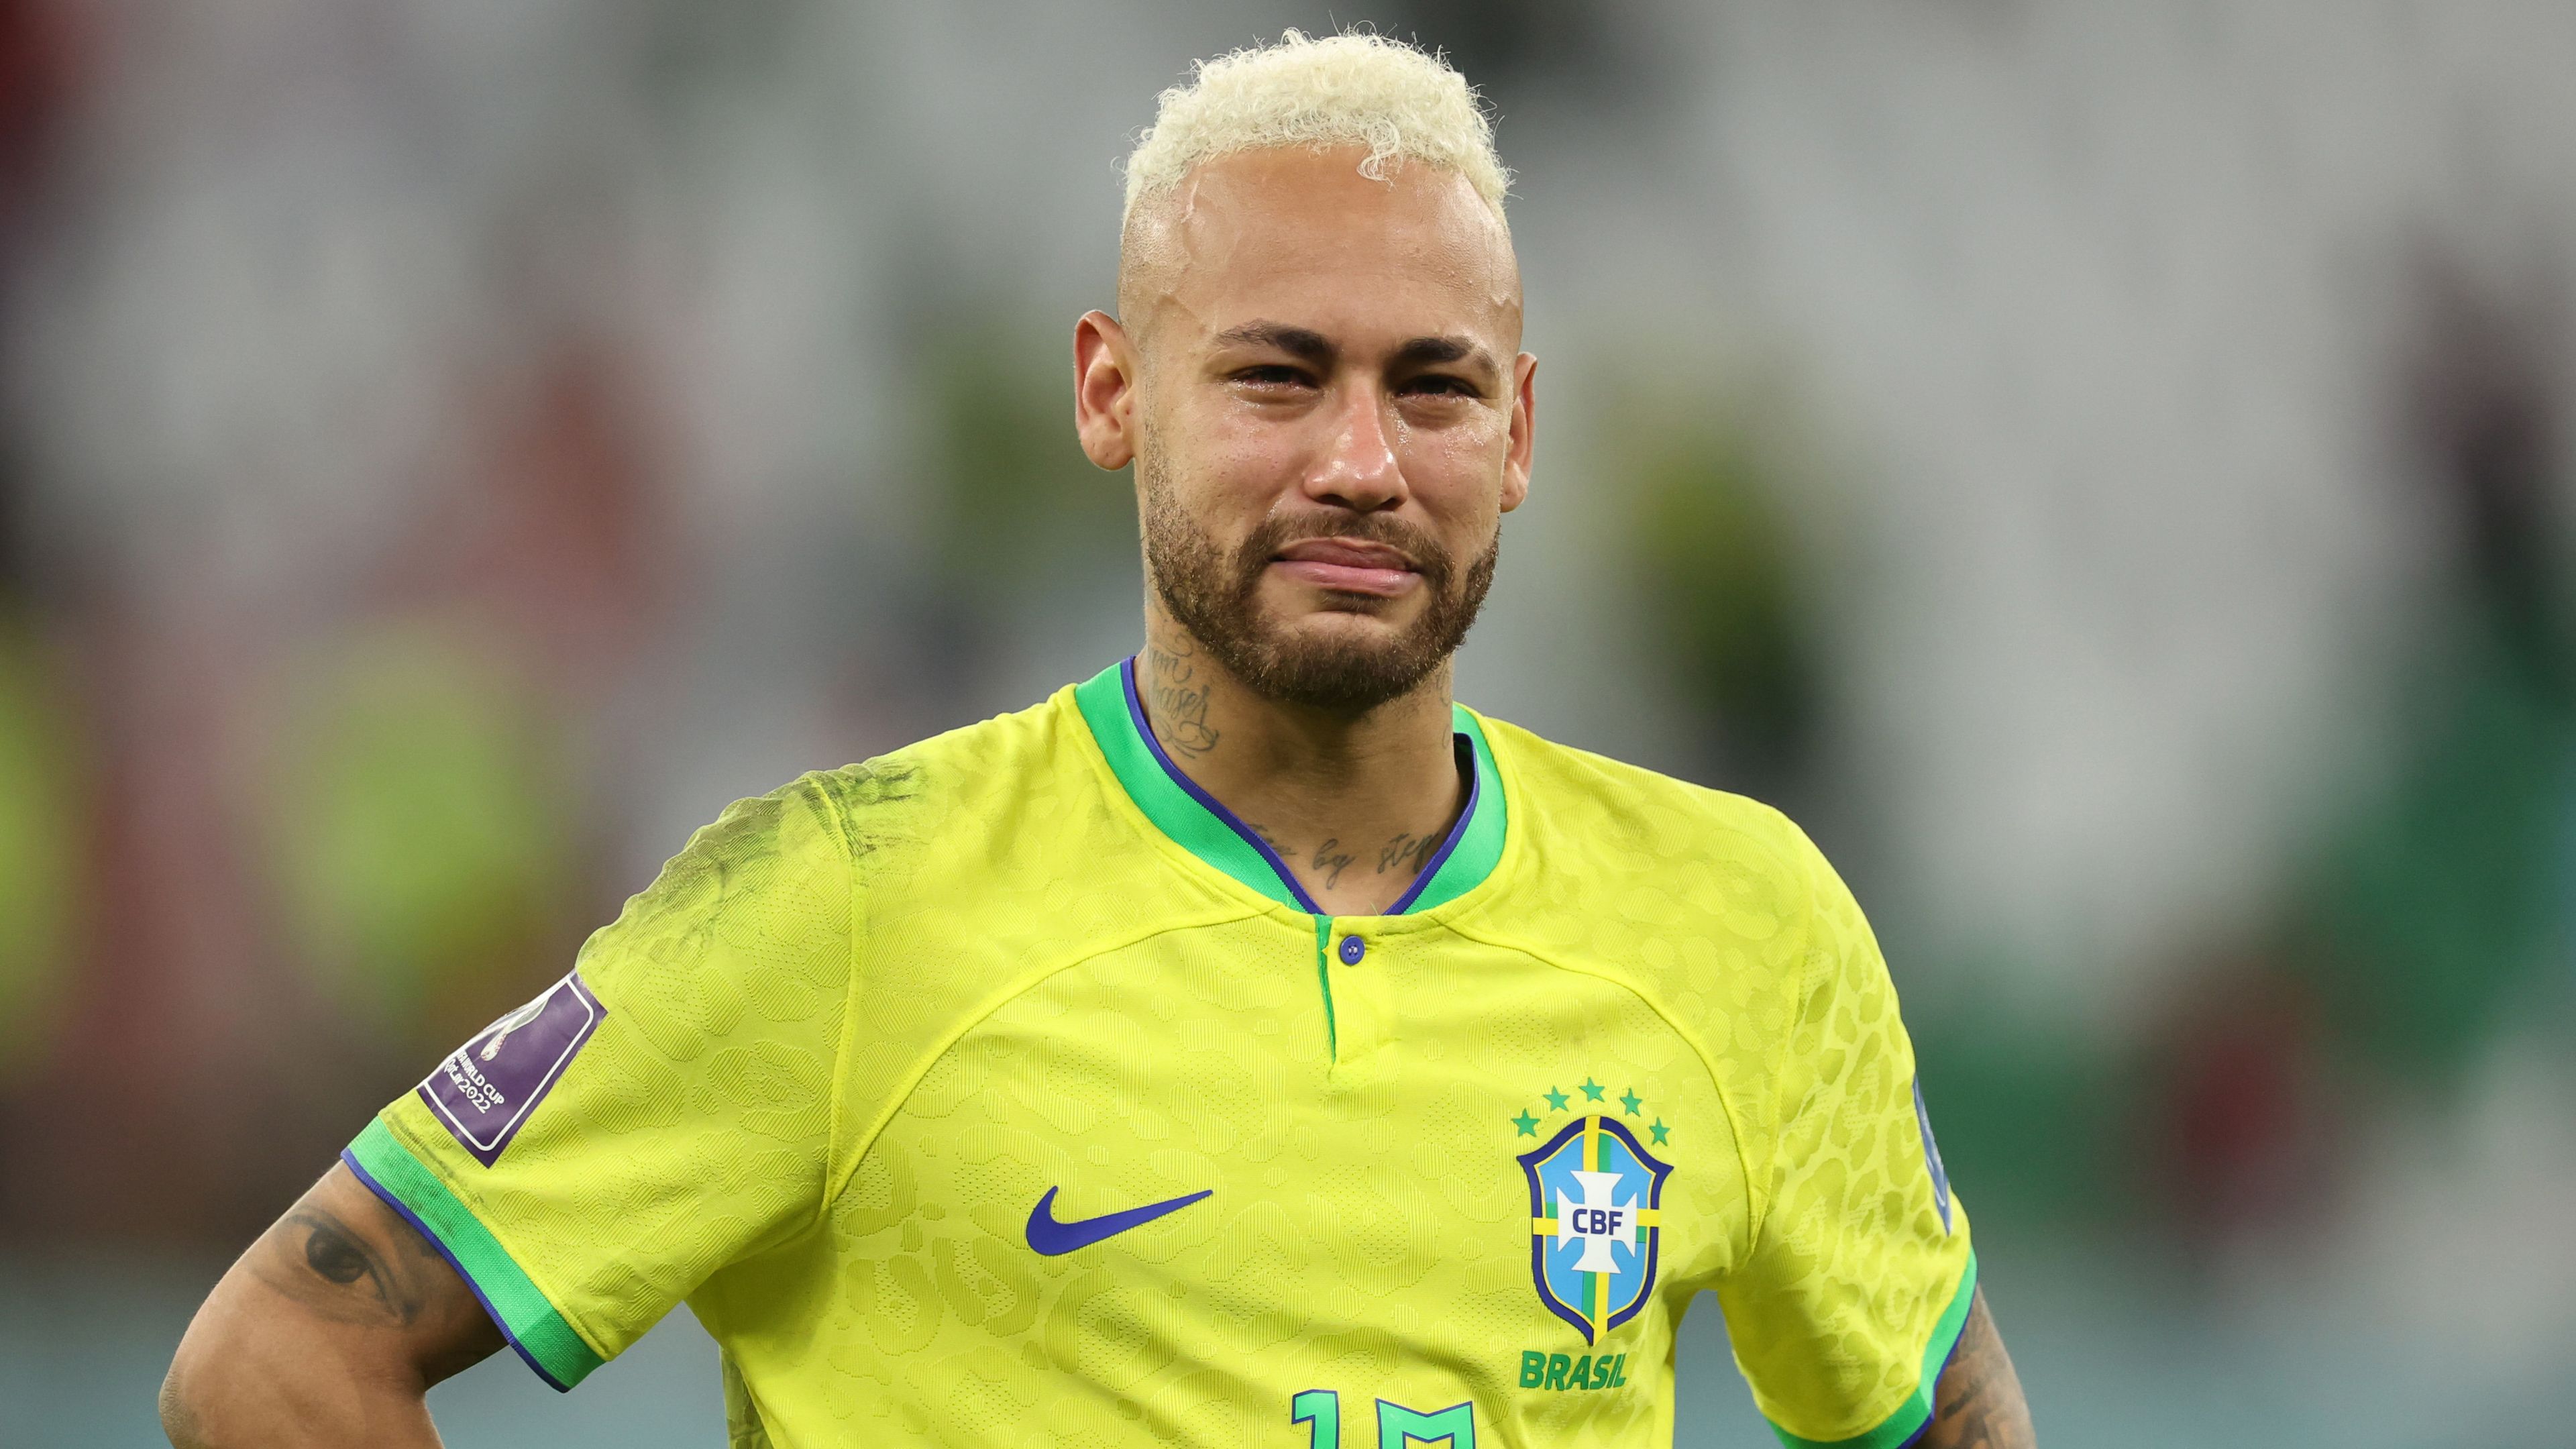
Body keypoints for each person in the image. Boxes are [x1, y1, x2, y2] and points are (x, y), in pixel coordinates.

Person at [162, 30, 2034, 1449]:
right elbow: (278, 1353)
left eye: (1434, 387)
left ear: (1523, 430)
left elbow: (1942, 1412)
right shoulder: (850, 902)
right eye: (1278, 375)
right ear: (1113, 393)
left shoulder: (1744, 924)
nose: (1361, 464)